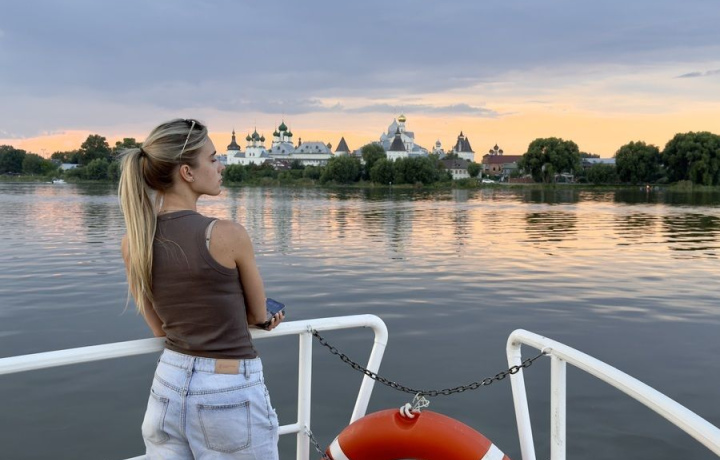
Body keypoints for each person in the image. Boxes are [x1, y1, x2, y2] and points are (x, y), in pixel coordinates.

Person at [118, 118, 284, 459]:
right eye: (212, 158)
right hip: (227, 390)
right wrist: (261, 317)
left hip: (167, 386)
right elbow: (258, 314)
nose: (221, 166)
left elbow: (160, 329)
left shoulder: (134, 241)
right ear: (187, 173)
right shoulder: (227, 234)